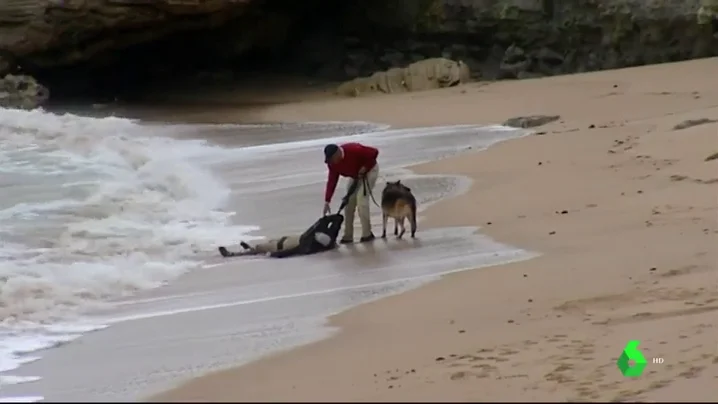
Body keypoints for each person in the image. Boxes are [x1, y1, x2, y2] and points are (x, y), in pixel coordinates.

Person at [323, 142, 380, 243]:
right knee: (348, 204)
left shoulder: (353, 149)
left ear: (337, 154)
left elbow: (374, 152)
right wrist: (327, 200)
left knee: (361, 200)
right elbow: (332, 180)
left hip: (370, 171)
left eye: (332, 159)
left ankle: (367, 234)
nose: (331, 162)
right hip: (355, 176)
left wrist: (365, 167)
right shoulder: (332, 164)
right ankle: (348, 236)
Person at [218, 214, 344, 258]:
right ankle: (248, 249)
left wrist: (275, 255)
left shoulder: (308, 243)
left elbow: (292, 251)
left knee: (259, 249)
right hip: (284, 241)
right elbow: (339, 219)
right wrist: (328, 219)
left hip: (279, 246)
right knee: (259, 248)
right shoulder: (327, 241)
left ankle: (234, 255)